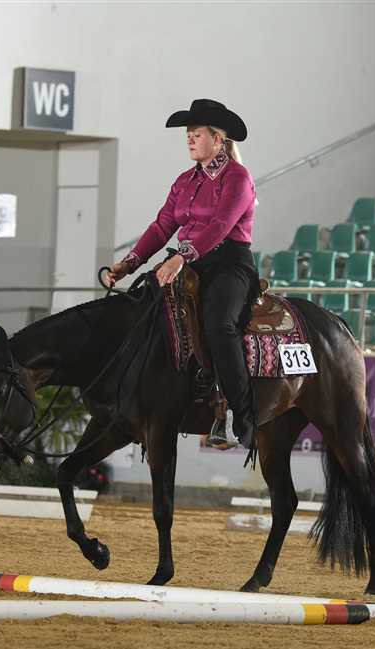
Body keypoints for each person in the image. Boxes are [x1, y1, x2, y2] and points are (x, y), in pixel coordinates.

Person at [106, 99, 259, 449]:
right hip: (187, 264)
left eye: (196, 134)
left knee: (220, 325)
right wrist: (129, 263)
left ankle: (243, 412)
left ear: (217, 139)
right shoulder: (185, 181)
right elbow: (162, 226)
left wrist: (181, 257)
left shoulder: (238, 177)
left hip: (230, 264)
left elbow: (221, 225)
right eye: (188, 134)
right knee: (141, 312)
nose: (189, 139)